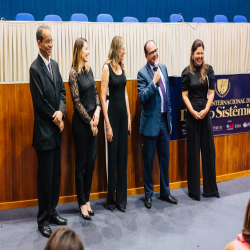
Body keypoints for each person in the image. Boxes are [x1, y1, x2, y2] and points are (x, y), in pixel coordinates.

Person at [29, 25, 67, 238]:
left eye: (52, 41)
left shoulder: (55, 64)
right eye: (47, 41)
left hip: (57, 131)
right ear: (39, 43)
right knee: (44, 179)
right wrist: (56, 118)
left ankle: (52, 211)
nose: (51, 44)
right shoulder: (35, 69)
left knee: (55, 176)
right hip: (44, 133)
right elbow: (39, 103)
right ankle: (42, 219)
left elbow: (62, 92)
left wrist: (61, 112)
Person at [137, 40, 178, 209]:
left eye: (156, 50)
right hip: (149, 125)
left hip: (163, 121)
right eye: (151, 52)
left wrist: (169, 119)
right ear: (146, 56)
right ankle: (148, 195)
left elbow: (167, 96)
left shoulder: (164, 68)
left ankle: (165, 192)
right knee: (148, 162)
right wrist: (153, 83)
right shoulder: (142, 73)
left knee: (164, 159)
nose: (155, 54)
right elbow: (142, 98)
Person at [181, 39, 219, 201]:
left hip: (205, 114)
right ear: (192, 54)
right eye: (198, 53)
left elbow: (211, 93)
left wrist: (206, 110)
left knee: (209, 152)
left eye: (202, 53)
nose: (200, 56)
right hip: (192, 116)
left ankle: (210, 189)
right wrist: (193, 112)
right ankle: (194, 191)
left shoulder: (209, 70)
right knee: (193, 154)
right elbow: (184, 95)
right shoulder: (186, 72)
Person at [68, 38, 101, 220]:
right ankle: (81, 202)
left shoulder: (89, 69)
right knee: (81, 164)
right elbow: (77, 102)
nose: (89, 52)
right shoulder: (73, 73)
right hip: (82, 125)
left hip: (92, 122)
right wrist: (91, 121)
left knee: (91, 163)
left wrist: (97, 110)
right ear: (79, 51)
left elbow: (96, 93)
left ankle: (87, 199)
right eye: (86, 49)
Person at [100, 36, 131, 212]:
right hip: (111, 114)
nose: (124, 52)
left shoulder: (122, 67)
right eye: (123, 49)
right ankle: (111, 200)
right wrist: (108, 125)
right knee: (112, 159)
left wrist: (128, 115)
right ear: (116, 49)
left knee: (122, 158)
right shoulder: (106, 68)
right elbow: (103, 99)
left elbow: (125, 93)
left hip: (122, 116)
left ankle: (121, 200)